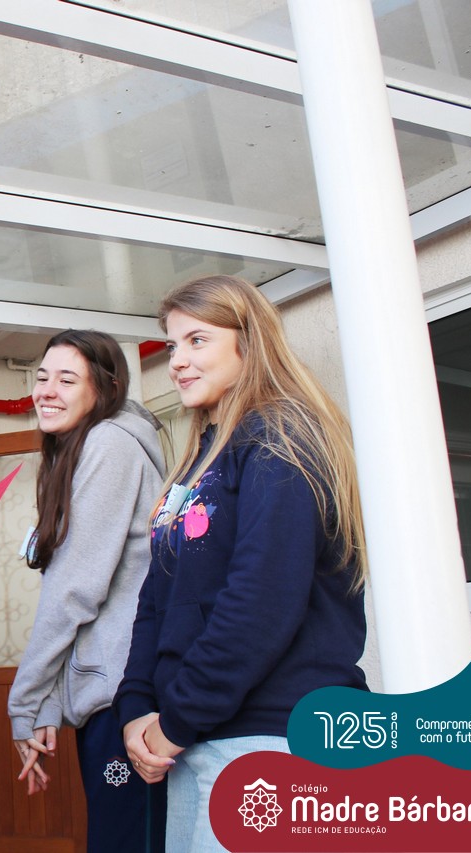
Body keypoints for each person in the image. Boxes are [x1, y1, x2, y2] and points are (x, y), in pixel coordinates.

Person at [115, 275, 368, 851]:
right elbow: (157, 598)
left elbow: (261, 601)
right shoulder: (203, 458)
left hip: (276, 738)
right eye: (172, 345)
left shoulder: (281, 436)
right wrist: (137, 707)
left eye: (197, 340)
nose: (177, 361)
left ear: (249, 343)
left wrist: (175, 720)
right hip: (198, 739)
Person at [7, 330, 167, 852]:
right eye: (42, 377)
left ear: (106, 389)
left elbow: (75, 591)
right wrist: (48, 705)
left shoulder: (109, 444)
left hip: (126, 698)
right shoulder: (79, 449)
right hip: (112, 692)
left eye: (67, 380)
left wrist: (25, 702)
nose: (47, 391)